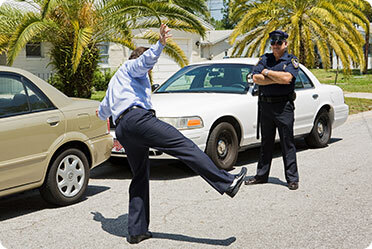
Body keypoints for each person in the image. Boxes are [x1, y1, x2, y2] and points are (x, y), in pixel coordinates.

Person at [97, 24, 247, 244]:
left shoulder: (115, 82)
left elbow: (102, 112)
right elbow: (143, 61)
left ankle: (137, 231)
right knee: (184, 146)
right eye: (149, 71)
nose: (149, 72)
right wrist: (160, 45)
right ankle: (226, 182)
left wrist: (99, 218)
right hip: (138, 120)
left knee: (139, 176)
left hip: (123, 128)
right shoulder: (132, 67)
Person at [245, 30, 299, 190]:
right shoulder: (265, 58)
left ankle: (292, 179)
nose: (275, 46)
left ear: (285, 44)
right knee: (266, 143)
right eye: (273, 43)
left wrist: (267, 73)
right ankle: (261, 176)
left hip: (284, 107)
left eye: (279, 43)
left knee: (287, 143)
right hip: (266, 106)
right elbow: (255, 78)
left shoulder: (291, 60)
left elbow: (287, 78)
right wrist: (277, 77)